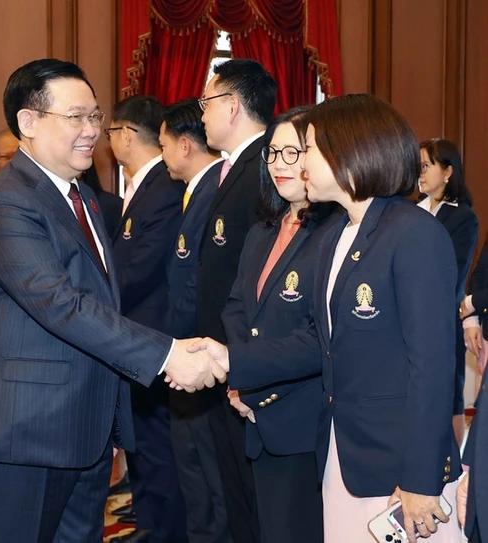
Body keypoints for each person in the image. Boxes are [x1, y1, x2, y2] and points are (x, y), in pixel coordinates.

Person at [0, 58, 224, 543]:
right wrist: (168, 354)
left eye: (94, 117)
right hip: (26, 434)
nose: (90, 131)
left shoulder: (84, 199)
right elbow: (61, 304)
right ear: (28, 123)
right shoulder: (3, 201)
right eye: (74, 117)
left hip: (87, 427)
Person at [188, 94, 463, 543]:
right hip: (339, 452)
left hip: (395, 467)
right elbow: (319, 341)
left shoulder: (413, 233)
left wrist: (421, 477)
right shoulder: (340, 233)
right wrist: (229, 359)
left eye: (310, 150)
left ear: (348, 151)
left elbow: (432, 367)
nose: (300, 166)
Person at [224, 106, 338, 543]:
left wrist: (250, 379)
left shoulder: (334, 232)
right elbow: (236, 308)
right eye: (273, 153)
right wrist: (240, 379)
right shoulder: (263, 230)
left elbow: (320, 335)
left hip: (303, 416)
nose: (281, 165)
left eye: (295, 152)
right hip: (254, 411)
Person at [197, 58, 277, 543]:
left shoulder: (267, 166)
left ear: (231, 107)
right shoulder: (230, 169)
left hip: (245, 363)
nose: (200, 114)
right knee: (236, 493)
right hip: (222, 356)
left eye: (206, 103)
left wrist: (244, 363)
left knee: (255, 495)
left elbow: (262, 279)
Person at [106, 95, 187, 543]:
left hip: (153, 333)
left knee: (156, 446)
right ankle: (151, 524)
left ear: (128, 134)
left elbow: (143, 266)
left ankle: (165, 531)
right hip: (132, 333)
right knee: (141, 442)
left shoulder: (164, 187)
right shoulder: (143, 184)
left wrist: (94, 300)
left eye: (110, 132)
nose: (107, 141)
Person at [160, 98, 231, 543]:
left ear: (185, 146)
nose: (163, 153)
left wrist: (178, 352)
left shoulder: (213, 192)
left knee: (208, 478)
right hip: (187, 353)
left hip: (199, 356)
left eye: (164, 144)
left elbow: (198, 286)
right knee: (194, 474)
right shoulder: (196, 192)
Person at [417, 138, 479, 447]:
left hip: (442, 320)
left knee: (449, 398)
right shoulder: (411, 210)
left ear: (448, 171)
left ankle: (449, 472)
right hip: (410, 317)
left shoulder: (462, 216)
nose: (421, 172)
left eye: (427, 165)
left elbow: (452, 270)